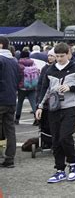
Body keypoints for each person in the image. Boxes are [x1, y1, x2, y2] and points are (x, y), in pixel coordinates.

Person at [36, 43, 75, 183]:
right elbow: (44, 89)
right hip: (53, 107)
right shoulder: (49, 70)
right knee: (56, 140)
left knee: (65, 136)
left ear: (68, 54)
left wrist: (70, 87)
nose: (59, 59)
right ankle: (59, 170)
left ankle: (73, 163)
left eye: (62, 56)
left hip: (71, 106)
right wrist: (40, 107)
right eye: (57, 56)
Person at [0, 36, 21, 168]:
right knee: (10, 130)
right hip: (11, 99)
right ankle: (10, 158)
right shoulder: (14, 60)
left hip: (0, 98)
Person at [15, 50, 39, 124]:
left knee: (20, 103)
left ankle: (17, 119)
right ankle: (37, 118)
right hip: (33, 86)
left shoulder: (19, 64)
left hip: (22, 87)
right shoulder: (33, 63)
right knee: (33, 103)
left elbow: (17, 76)